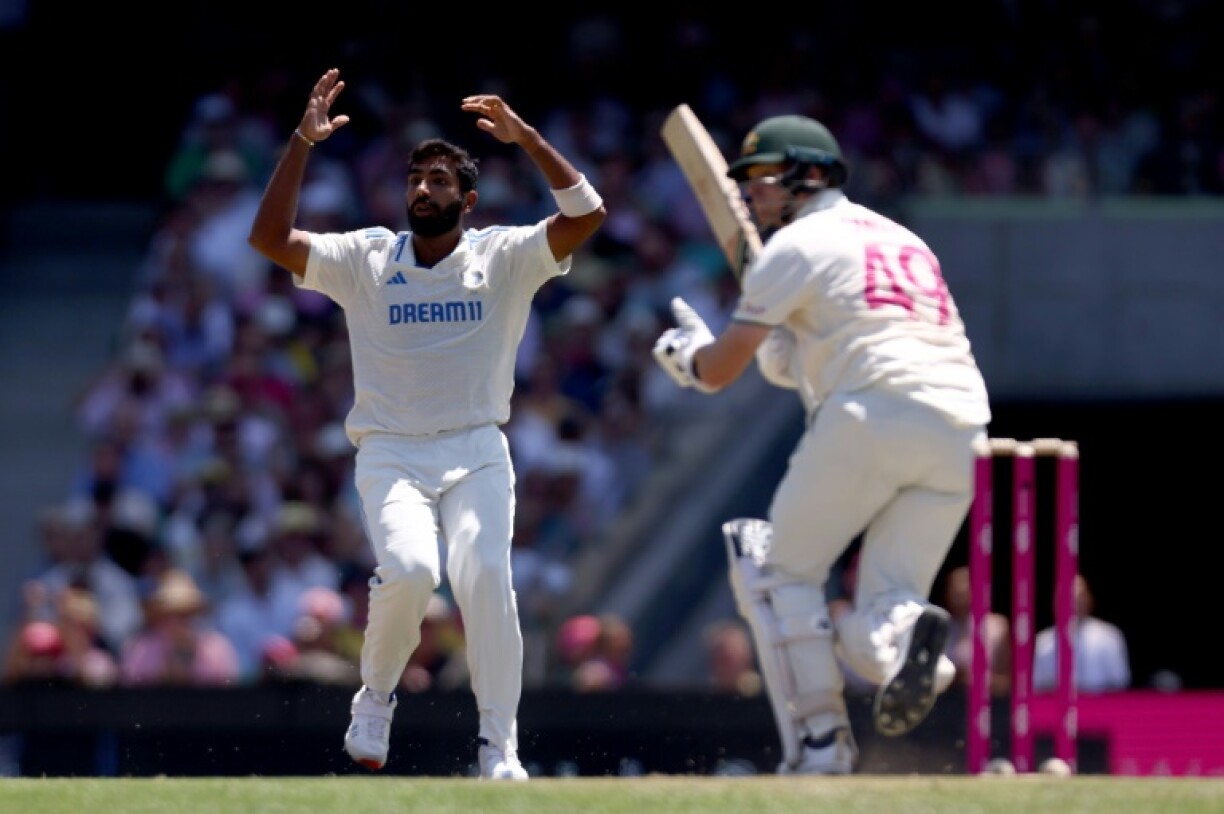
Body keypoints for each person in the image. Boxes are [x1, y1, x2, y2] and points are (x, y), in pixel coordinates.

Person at [247, 68, 606, 780]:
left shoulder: (501, 256)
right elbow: (269, 237)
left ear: (467, 201)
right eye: (417, 178)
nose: (424, 189)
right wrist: (302, 142)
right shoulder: (365, 257)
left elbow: (588, 214)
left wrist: (527, 138)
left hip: (476, 447)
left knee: (484, 578)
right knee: (410, 572)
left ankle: (499, 747)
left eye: (441, 181)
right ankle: (375, 696)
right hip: (389, 450)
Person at [653, 114, 991, 774]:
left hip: (873, 410)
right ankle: (914, 648)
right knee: (884, 606)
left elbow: (721, 371)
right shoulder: (905, 239)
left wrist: (687, 357)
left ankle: (821, 746)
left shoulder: (795, 247)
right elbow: (815, 347)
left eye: (760, 180)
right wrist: (788, 352)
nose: (750, 197)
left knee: (781, 572)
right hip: (962, 426)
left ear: (808, 175)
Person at [1033, 573, 1130, 693]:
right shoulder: (1042, 643)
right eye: (1065, 597)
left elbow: (1121, 683)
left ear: (1089, 600)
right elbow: (1036, 688)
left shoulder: (1109, 637)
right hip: (1056, 709)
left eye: (1078, 598)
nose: (1072, 604)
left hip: (1100, 708)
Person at [941, 564, 1011, 696]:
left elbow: (1008, 682)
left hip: (987, 703)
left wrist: (976, 680)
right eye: (955, 592)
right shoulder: (940, 629)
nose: (959, 598)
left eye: (963, 592)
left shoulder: (997, 627)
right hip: (946, 704)